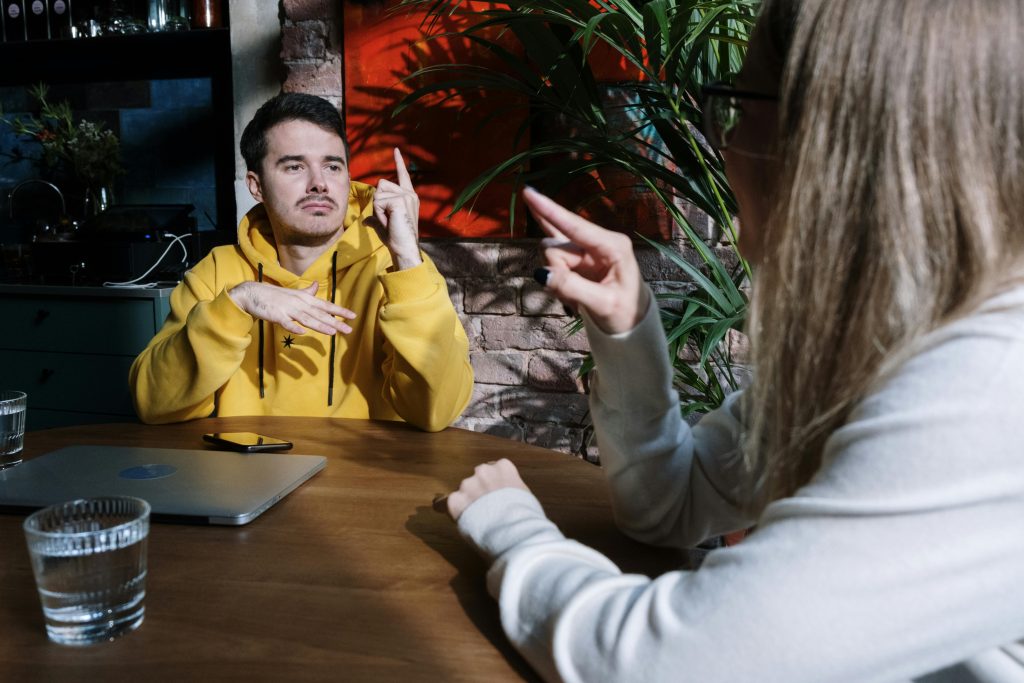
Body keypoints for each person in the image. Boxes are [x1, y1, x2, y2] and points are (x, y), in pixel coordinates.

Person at [440, 0, 1024, 680]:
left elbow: (663, 664)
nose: (722, 141)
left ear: (830, 139)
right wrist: (627, 327)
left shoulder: (989, 387)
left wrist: (514, 530)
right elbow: (671, 505)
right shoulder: (884, 343)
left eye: (739, 109)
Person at [130, 93, 473, 432]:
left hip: (364, 480)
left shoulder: (400, 269)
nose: (319, 184)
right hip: (248, 478)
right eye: (294, 166)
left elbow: (436, 411)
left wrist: (408, 256)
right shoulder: (219, 273)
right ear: (257, 186)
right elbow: (153, 403)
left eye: (332, 166)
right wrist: (238, 303)